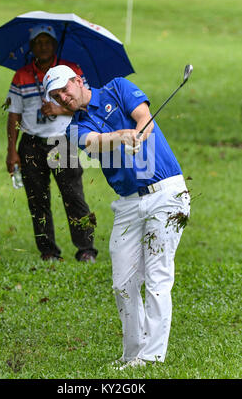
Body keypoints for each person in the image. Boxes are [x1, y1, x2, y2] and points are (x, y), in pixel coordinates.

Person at [43, 64, 191, 369]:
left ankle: (151, 358)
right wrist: (121, 137)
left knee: (157, 275)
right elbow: (94, 141)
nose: (63, 98)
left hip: (166, 194)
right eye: (57, 97)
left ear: (78, 80)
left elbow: (143, 117)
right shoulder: (73, 129)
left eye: (65, 89)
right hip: (127, 205)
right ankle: (132, 353)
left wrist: (138, 133)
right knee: (122, 282)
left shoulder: (118, 88)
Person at [5, 25, 98, 263]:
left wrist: (59, 108)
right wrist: (11, 151)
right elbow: (13, 114)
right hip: (31, 143)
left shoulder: (72, 71)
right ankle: (48, 251)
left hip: (62, 141)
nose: (43, 46)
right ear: (32, 46)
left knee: (74, 196)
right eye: (38, 42)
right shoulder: (21, 75)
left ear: (54, 45)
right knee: (37, 200)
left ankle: (86, 249)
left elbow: (83, 104)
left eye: (47, 42)